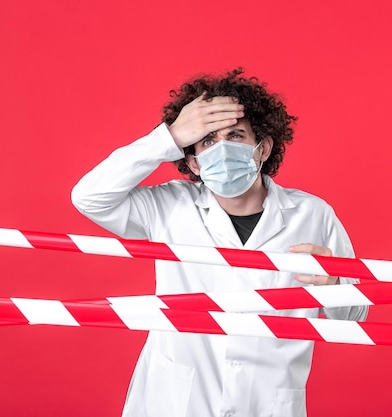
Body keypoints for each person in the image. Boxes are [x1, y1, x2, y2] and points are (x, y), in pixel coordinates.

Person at [71, 68, 367, 417]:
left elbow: (353, 318)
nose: (222, 149)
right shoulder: (168, 207)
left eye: (236, 135)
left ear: (263, 149)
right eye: (208, 140)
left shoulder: (313, 215)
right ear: (192, 161)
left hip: (266, 404)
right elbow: (89, 197)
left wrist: (333, 285)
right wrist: (168, 137)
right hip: (175, 402)